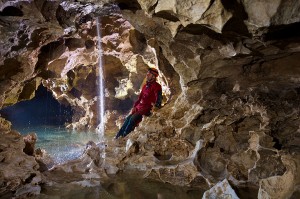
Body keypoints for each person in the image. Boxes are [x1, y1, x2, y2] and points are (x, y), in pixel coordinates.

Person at [115, 67, 162, 139]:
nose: (147, 75)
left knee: (132, 119)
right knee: (128, 119)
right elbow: (140, 98)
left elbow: (158, 98)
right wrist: (134, 107)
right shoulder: (145, 86)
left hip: (147, 108)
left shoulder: (157, 86)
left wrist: (156, 106)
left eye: (149, 74)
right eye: (147, 74)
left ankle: (125, 136)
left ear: (153, 76)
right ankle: (118, 136)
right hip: (140, 107)